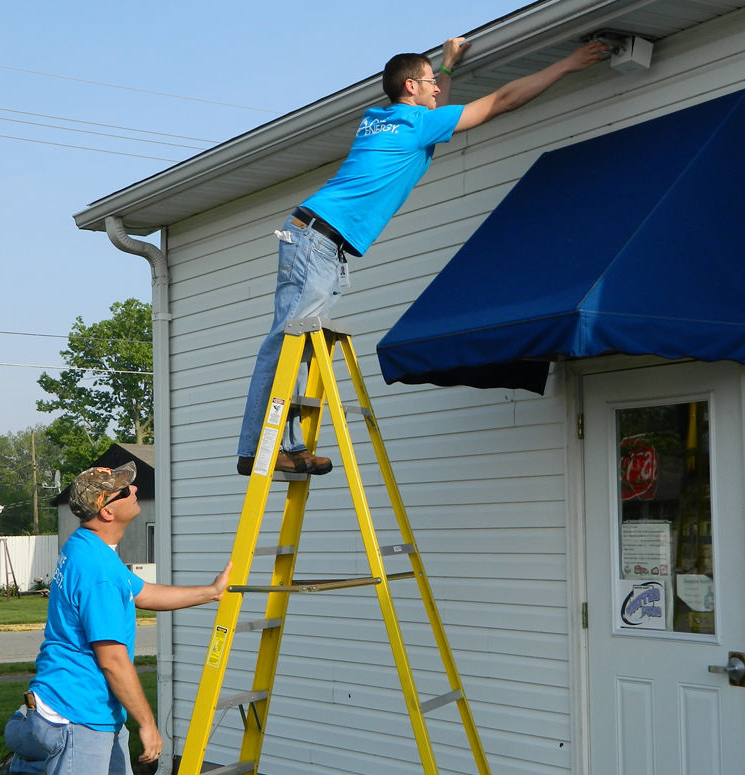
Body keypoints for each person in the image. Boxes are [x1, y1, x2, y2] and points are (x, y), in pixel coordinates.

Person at [237, 35, 611, 477]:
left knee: (300, 351)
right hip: (315, 241)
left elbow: (437, 113)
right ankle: (257, 449)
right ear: (411, 88)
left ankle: (291, 445)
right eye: (431, 82)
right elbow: (504, 100)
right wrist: (568, 62)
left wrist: (448, 65)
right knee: (284, 343)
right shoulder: (414, 125)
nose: (437, 89)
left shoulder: (385, 118)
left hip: (319, 240)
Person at [25, 461, 232, 775]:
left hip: (95, 712)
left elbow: (144, 592)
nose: (136, 491)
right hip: (77, 713)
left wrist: (211, 593)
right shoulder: (97, 570)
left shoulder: (89, 547)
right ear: (107, 510)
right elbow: (113, 660)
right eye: (126, 489)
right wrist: (147, 723)